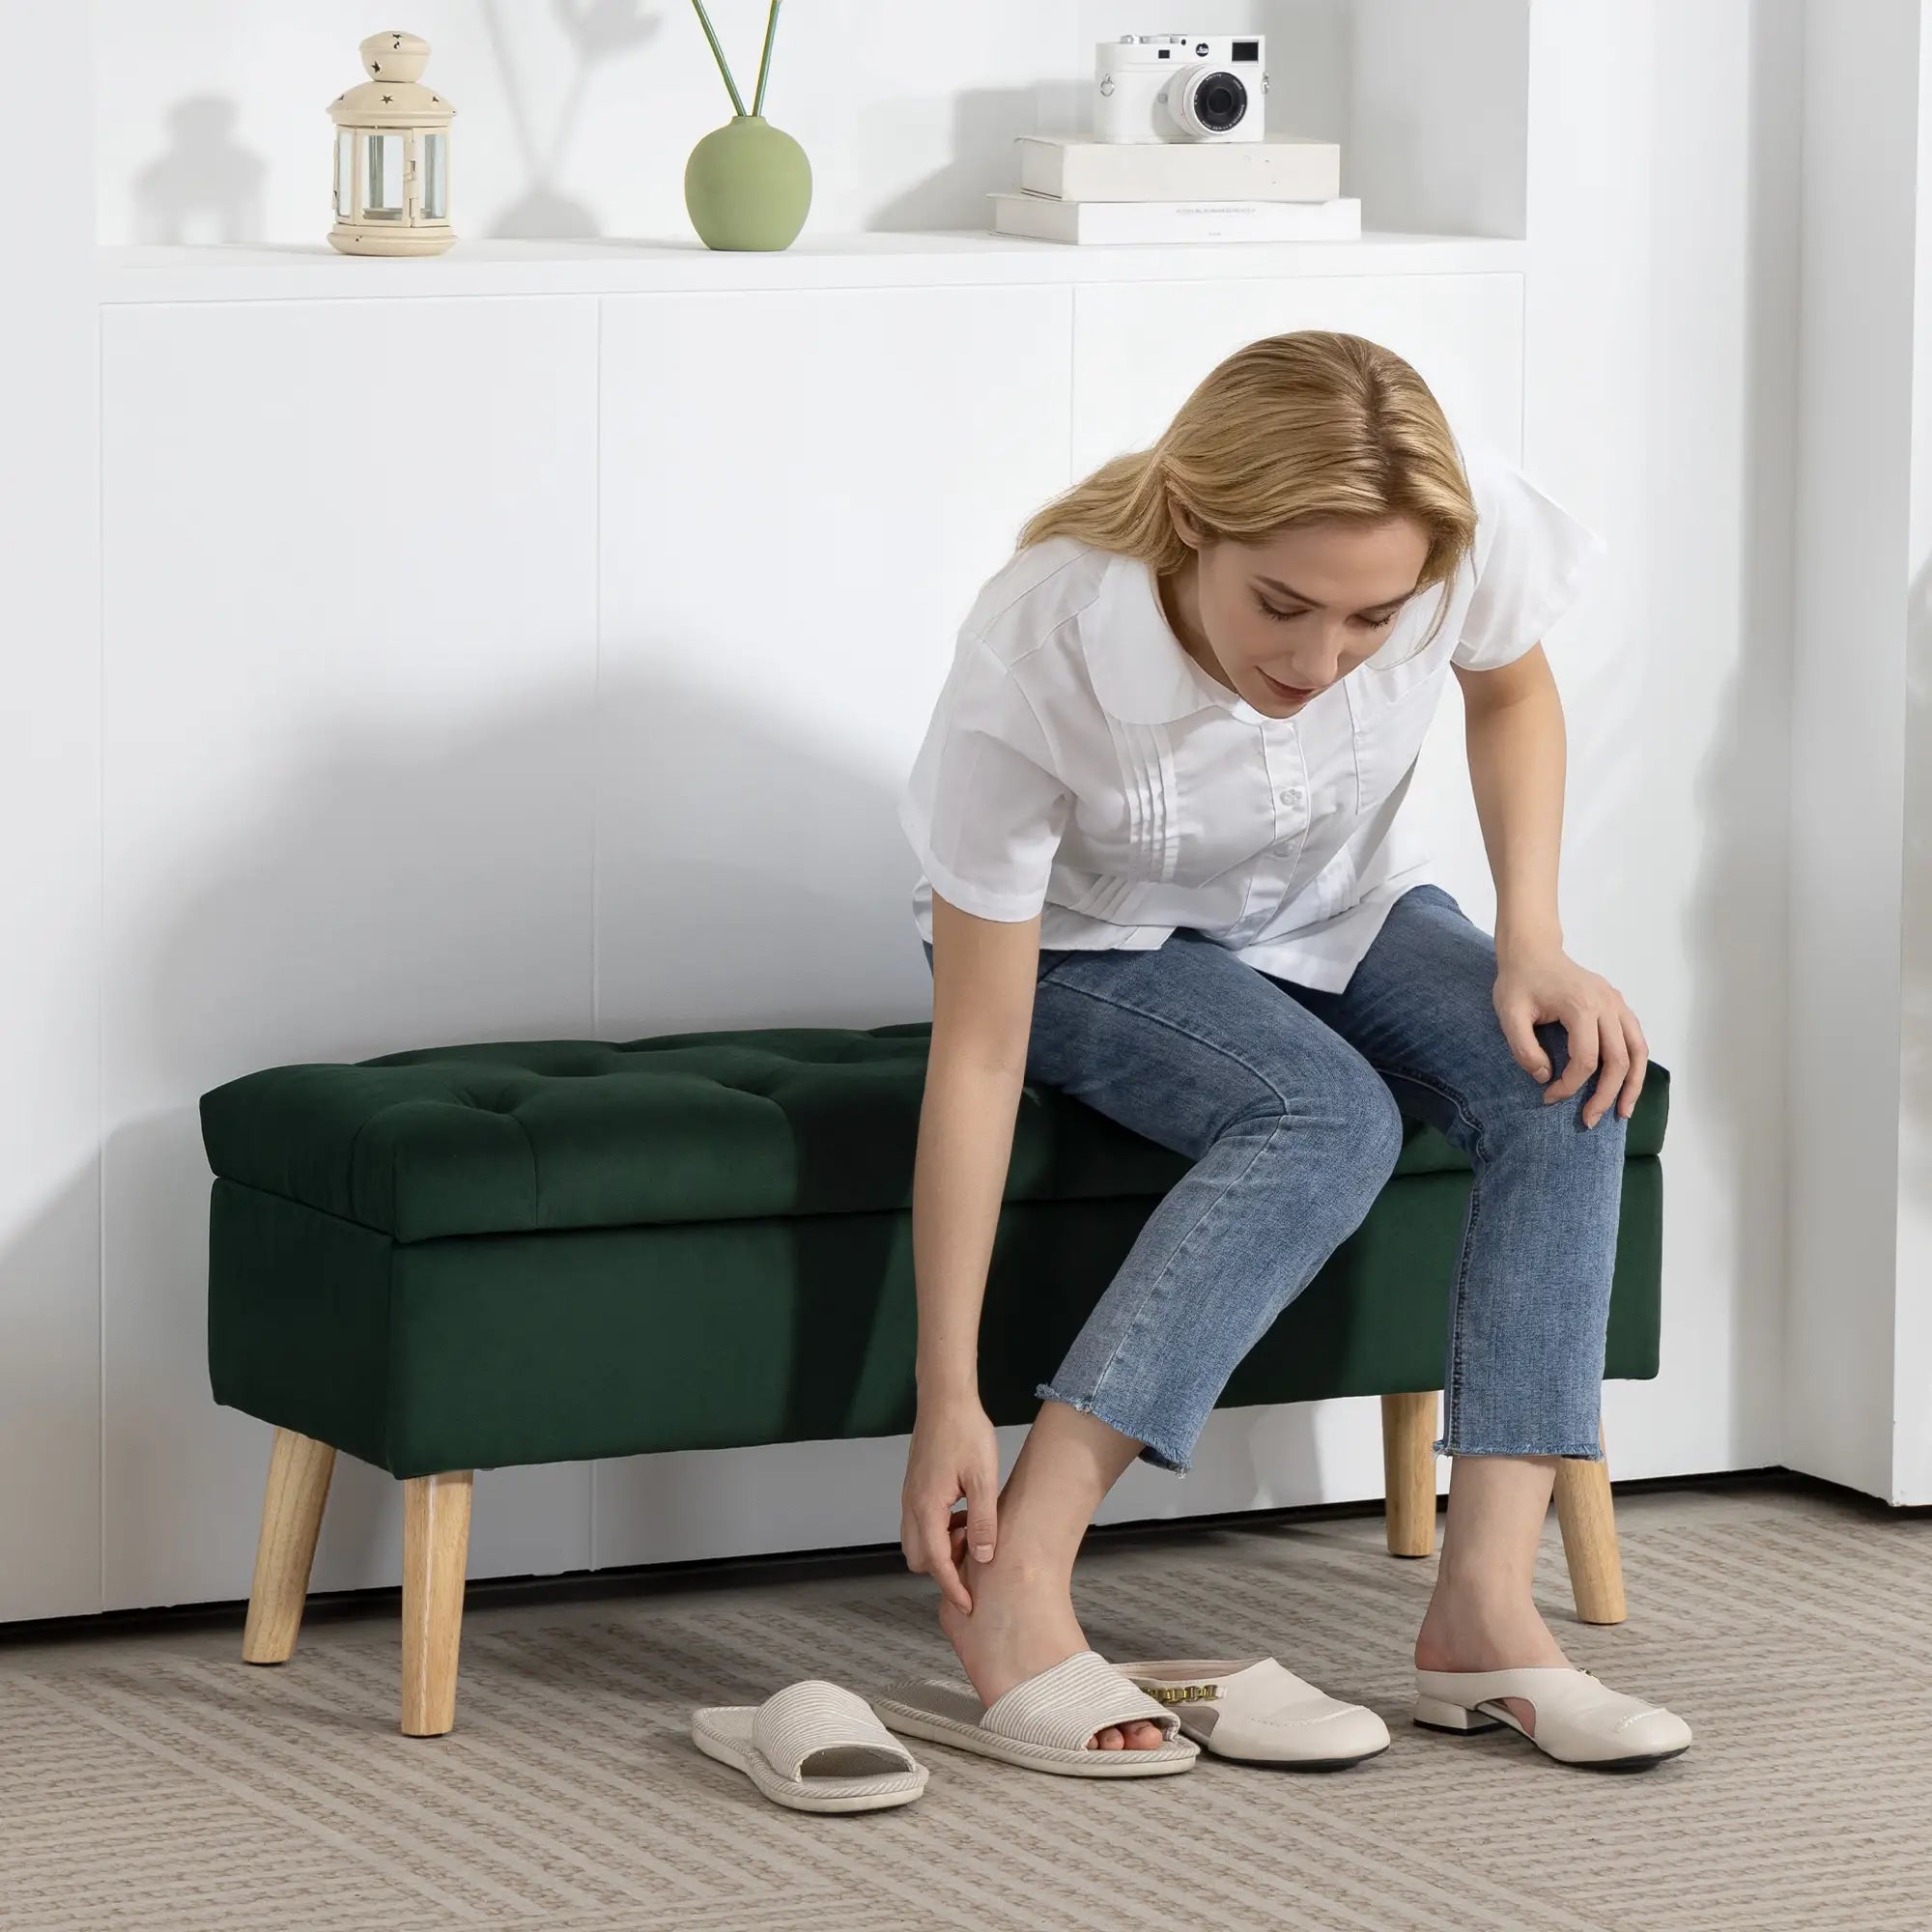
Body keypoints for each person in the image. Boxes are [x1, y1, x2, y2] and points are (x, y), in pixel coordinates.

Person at [891, 329, 1690, 1770]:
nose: (1322, 660)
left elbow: (1512, 686)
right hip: (1090, 945)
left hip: (1339, 908)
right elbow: (980, 1051)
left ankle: (1485, 1615)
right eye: (1283, 606)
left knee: (1566, 1073)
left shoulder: (1454, 515)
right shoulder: (1042, 644)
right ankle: (1021, 1585)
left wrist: (1533, 937)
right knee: (1326, 1116)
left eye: (1374, 622)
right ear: (1196, 520)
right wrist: (947, 1386)